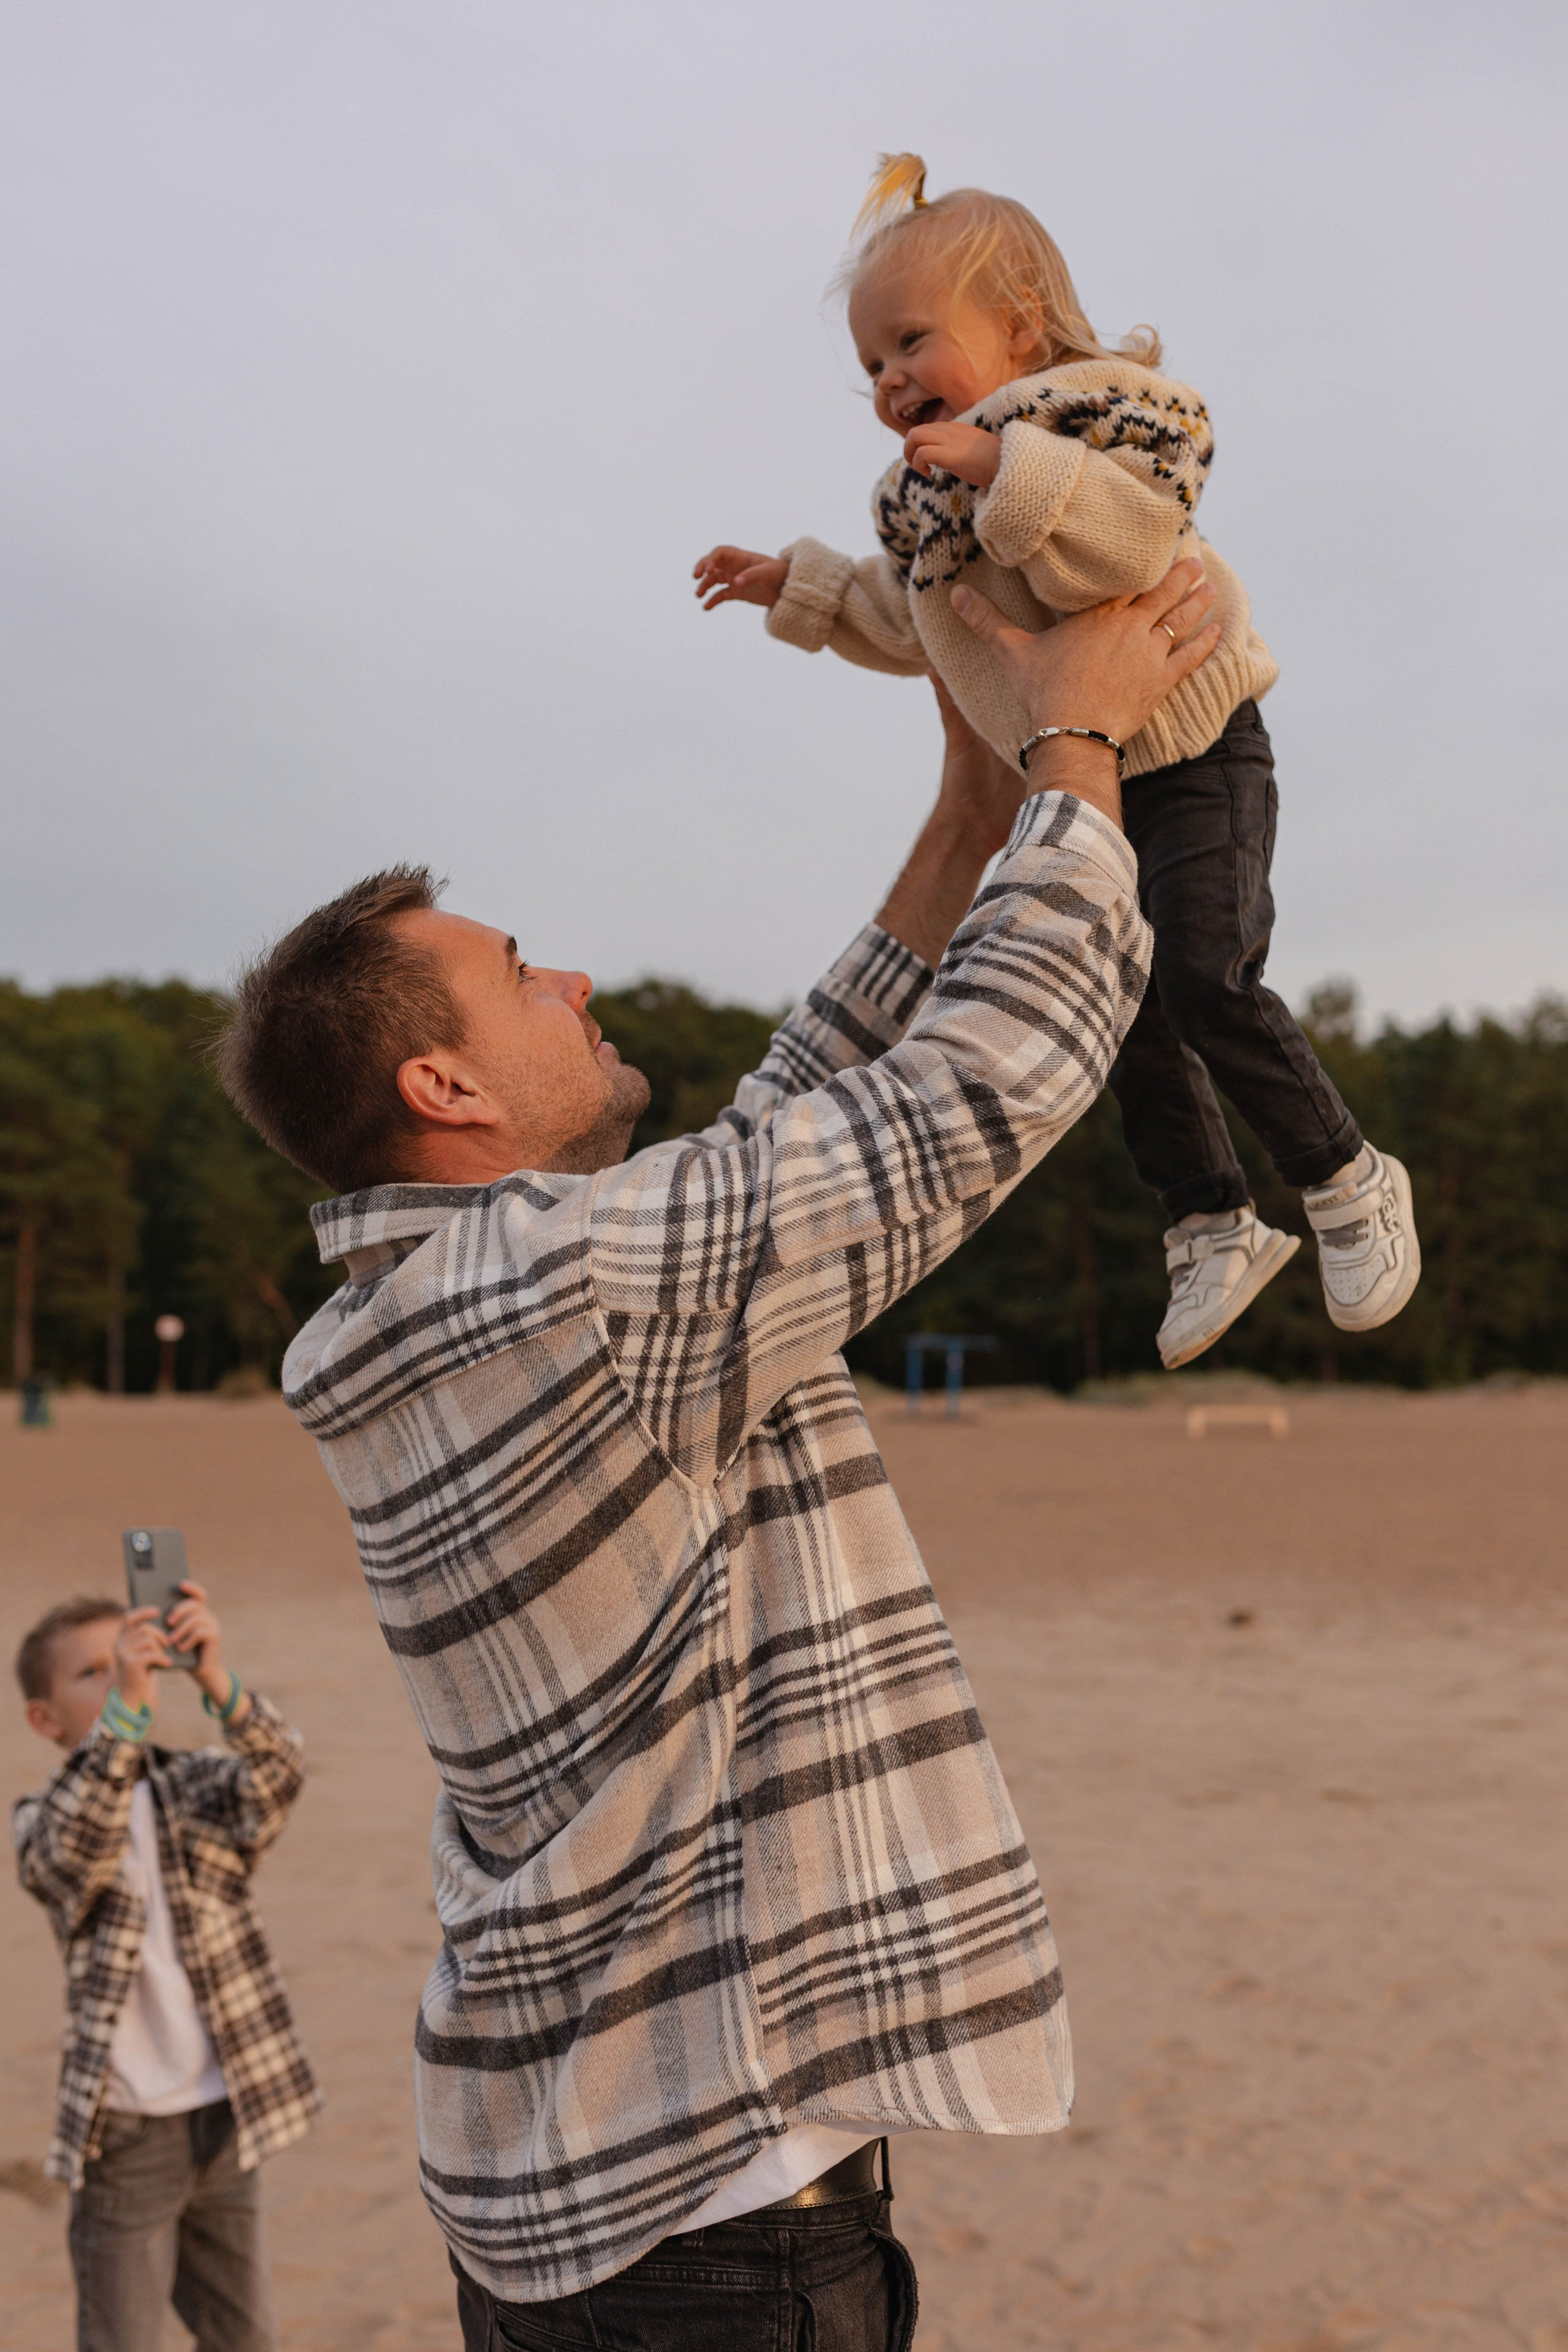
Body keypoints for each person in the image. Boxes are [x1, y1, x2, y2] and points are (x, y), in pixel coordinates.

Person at [216, 561, 1215, 2348]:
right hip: (715, 2228)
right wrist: (1077, 731)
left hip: (570, 2189)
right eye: (521, 975)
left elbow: (786, 1137)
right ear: (444, 1092)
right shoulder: (564, 1285)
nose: (576, 975)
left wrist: (965, 809)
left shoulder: (424, 1305)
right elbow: (980, 1084)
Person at [694, 151, 1420, 1371]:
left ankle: (1343, 1175)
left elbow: (1125, 553)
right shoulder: (923, 499)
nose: (886, 382)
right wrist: (805, 587)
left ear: (1018, 326)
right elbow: (910, 620)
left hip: (1193, 753)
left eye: (912, 342)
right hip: (1084, 784)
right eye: (869, 364)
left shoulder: (1114, 415)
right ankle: (1206, 1219)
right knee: (1113, 1013)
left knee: (1202, 972)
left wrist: (1008, 472)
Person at [13, 1586, 319, 2352]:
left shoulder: (198, 1786)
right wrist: (126, 1713)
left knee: (246, 2337)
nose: (123, 1673)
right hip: (127, 2135)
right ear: (43, 1721)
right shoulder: (41, 1818)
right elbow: (71, 1848)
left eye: (132, 1652)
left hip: (225, 2116)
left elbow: (281, 1771)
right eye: (95, 1671)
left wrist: (219, 1681)